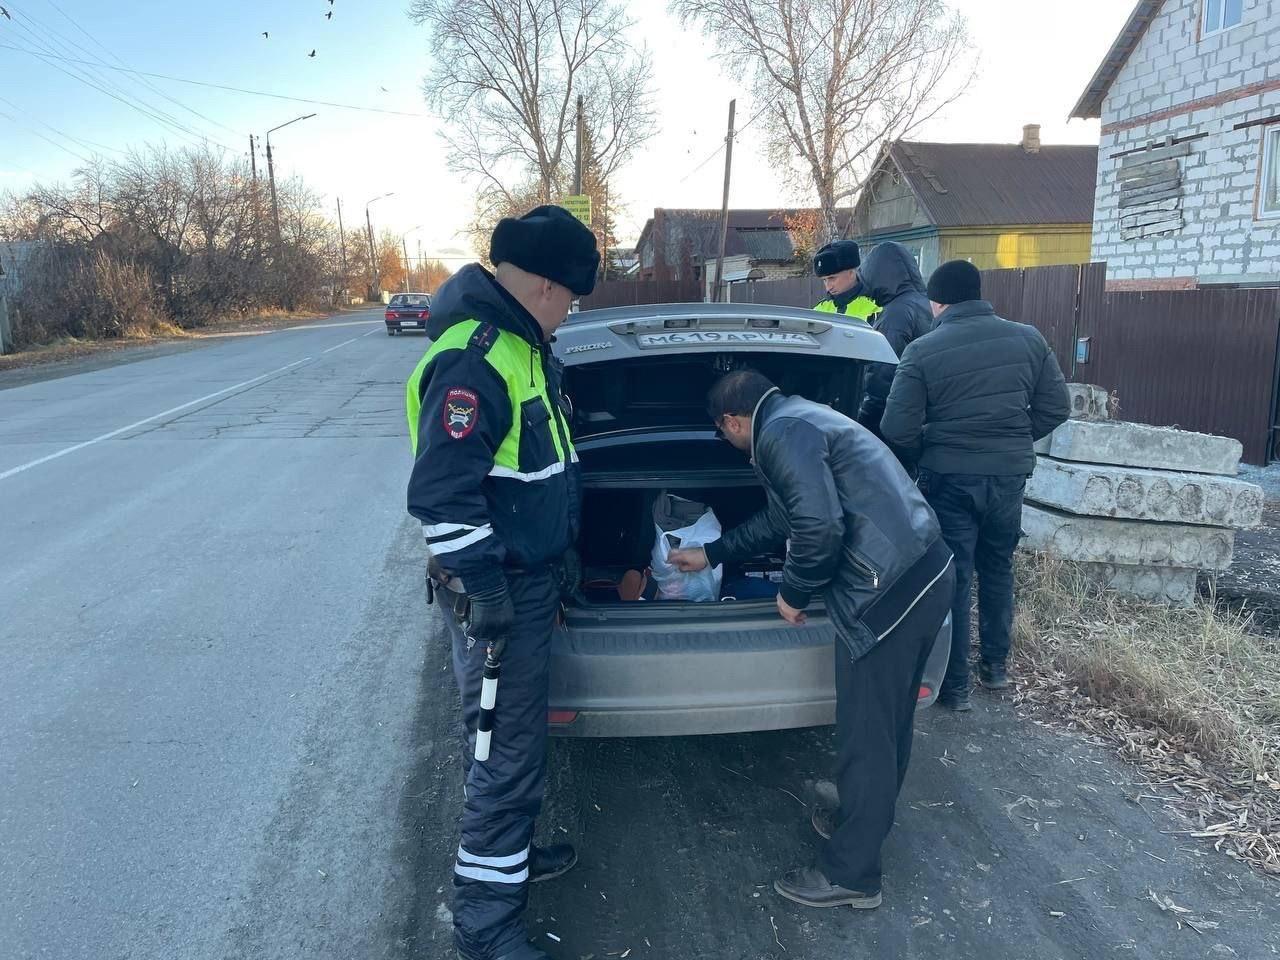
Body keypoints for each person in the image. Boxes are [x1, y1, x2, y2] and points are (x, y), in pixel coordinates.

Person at [668, 370, 954, 911]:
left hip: (888, 593)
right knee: (887, 726)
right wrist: (712, 554)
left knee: (866, 735)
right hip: (925, 573)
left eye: (722, 433)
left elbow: (819, 527)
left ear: (732, 421)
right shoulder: (797, 416)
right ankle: (860, 822)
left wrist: (794, 592)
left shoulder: (780, 434)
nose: (727, 444)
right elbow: (782, 519)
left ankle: (853, 874)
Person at [405, 205, 599, 960]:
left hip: (523, 582)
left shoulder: (521, 348)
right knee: (502, 758)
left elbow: (540, 471)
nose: (569, 314)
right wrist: (485, 587)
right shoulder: (477, 358)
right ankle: (486, 932)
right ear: (547, 285)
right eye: (572, 298)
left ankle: (508, 864)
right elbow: (441, 498)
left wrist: (558, 558)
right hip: (497, 596)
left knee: (505, 752)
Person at [881, 260, 1070, 711]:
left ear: (938, 301)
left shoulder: (923, 351)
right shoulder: (1030, 339)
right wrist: (1011, 438)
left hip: (950, 479)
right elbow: (1056, 408)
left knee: (956, 576)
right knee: (999, 567)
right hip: (1008, 479)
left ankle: (956, 686)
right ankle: (996, 668)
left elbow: (896, 427)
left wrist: (932, 443)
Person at [853, 242, 933, 452]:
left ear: (877, 275)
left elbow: (882, 375)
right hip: (925, 416)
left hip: (895, 420)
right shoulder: (927, 305)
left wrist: (863, 423)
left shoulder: (895, 313)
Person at [812, 239, 878, 321]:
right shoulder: (820, 309)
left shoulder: (876, 307)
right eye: (824, 280)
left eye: (832, 278)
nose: (828, 288)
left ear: (851, 273)